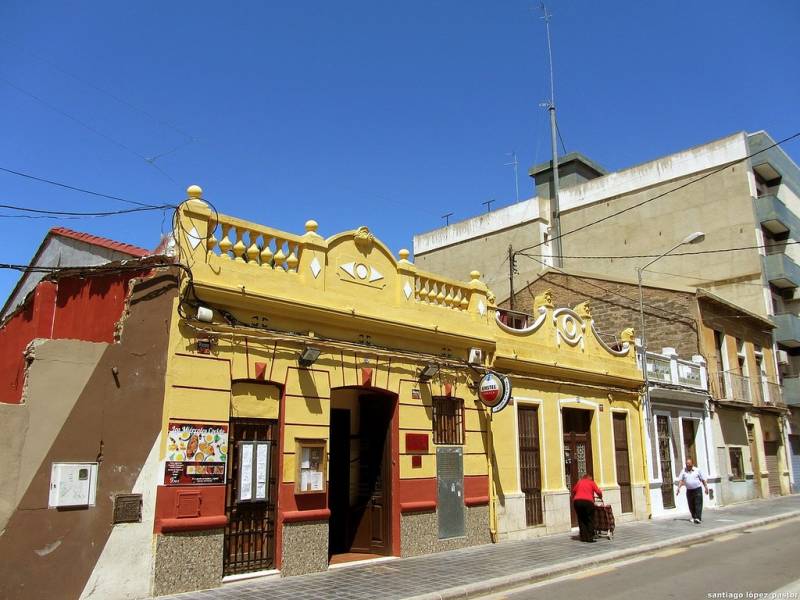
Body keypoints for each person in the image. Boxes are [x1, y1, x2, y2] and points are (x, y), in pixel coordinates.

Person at [571, 473, 603, 542]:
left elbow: (573, 491)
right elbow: (598, 492)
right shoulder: (591, 482)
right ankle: (589, 538)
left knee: (581, 519)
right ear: (589, 478)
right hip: (588, 502)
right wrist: (600, 496)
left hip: (577, 502)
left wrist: (574, 499)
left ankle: (583, 537)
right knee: (590, 519)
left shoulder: (579, 482)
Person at [676, 458, 708, 524]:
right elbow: (681, 480)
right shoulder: (683, 471)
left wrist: (706, 487)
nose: (688, 466)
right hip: (689, 490)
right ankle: (694, 517)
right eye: (687, 464)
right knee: (691, 504)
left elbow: (703, 479)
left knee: (698, 503)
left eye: (689, 465)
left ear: (692, 464)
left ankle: (698, 518)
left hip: (697, 489)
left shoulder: (697, 470)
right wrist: (678, 488)